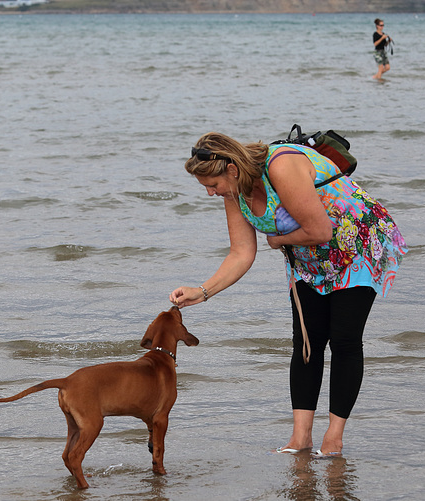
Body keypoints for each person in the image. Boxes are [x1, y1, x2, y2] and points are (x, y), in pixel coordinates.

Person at [169, 133, 408, 457]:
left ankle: (333, 440)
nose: (211, 192)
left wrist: (278, 241)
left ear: (232, 169)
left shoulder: (281, 166)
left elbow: (321, 230)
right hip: (307, 260)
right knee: (306, 343)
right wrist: (203, 290)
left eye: (212, 184)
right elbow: (241, 252)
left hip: (355, 246)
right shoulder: (235, 191)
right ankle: (300, 439)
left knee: (344, 340)